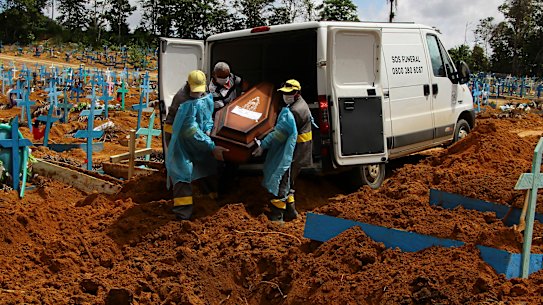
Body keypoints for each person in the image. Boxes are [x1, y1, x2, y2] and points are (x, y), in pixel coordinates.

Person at [165, 70, 229, 220]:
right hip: (179, 136)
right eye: (195, 91)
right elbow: (190, 130)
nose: (197, 94)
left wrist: (208, 129)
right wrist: (211, 146)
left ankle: (211, 199)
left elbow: (206, 113)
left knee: (206, 162)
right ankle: (183, 213)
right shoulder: (182, 100)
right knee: (182, 170)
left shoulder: (205, 93)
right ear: (188, 85)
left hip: (197, 135)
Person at [252, 79, 313, 222]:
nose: (286, 96)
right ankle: (290, 212)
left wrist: (263, 145)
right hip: (302, 151)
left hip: (295, 152)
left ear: (297, 93)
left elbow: (279, 134)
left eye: (289, 93)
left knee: (282, 183)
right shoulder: (301, 104)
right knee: (290, 182)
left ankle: (276, 217)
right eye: (285, 93)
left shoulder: (294, 111)